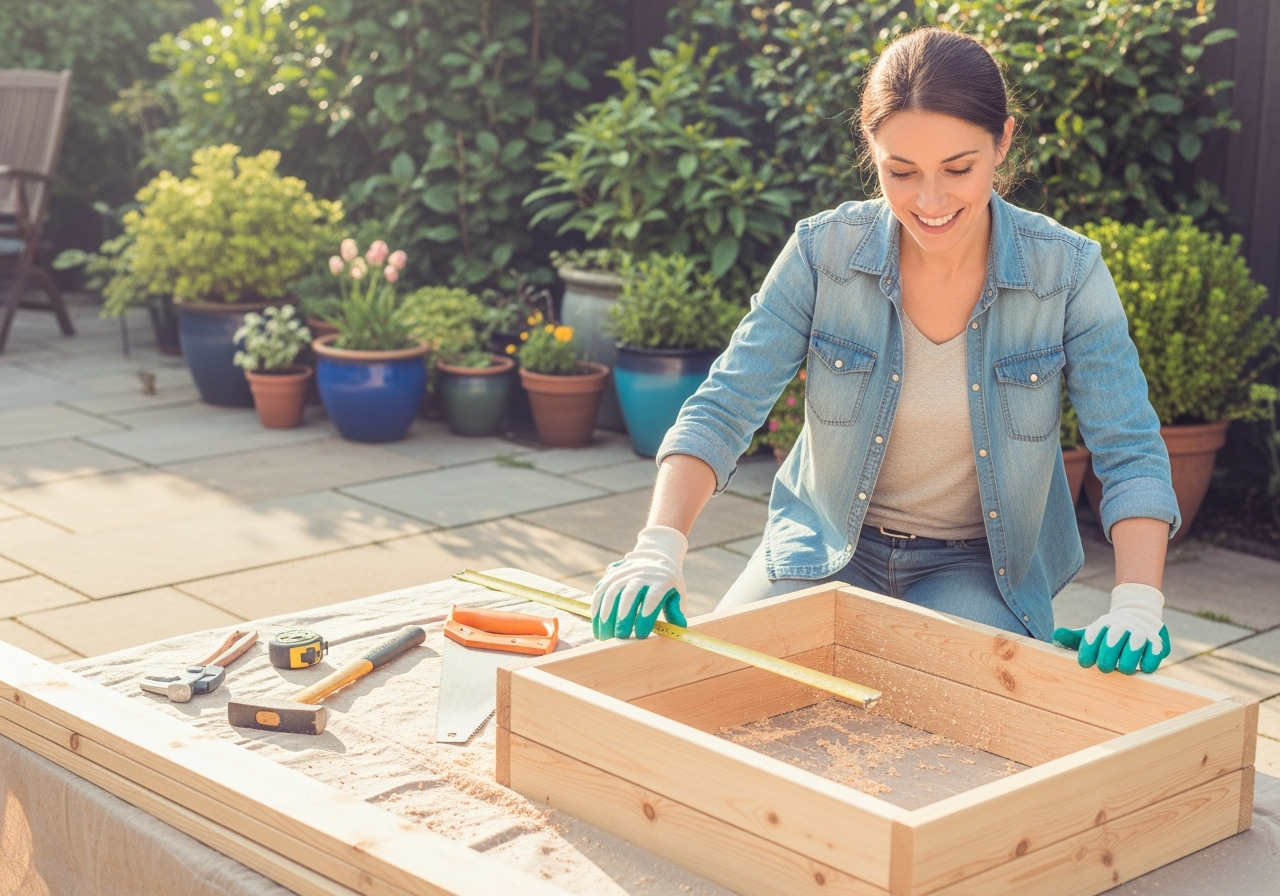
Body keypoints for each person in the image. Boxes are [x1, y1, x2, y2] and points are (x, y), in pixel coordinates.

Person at [589, 26, 1181, 676]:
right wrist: (658, 547)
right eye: (901, 171)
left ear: (1003, 140)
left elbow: (1127, 449)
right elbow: (724, 405)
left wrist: (1136, 600)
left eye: (959, 169)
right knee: (711, 689)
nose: (930, 202)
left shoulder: (1065, 272)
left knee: (965, 737)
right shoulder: (823, 254)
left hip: (979, 571)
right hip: (826, 549)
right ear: (871, 149)